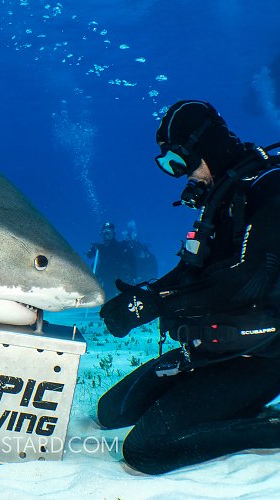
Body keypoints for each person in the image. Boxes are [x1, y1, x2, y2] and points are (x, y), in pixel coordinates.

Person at [97, 100, 280, 474]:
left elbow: (247, 278)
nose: (186, 177)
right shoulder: (222, 198)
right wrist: (142, 298)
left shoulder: (271, 188)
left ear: (209, 147)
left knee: (146, 451)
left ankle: (268, 427)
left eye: (186, 163)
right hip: (215, 346)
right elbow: (189, 270)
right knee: (112, 411)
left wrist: (159, 304)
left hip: (264, 354)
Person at [86, 222, 137, 298]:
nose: (106, 235)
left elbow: (132, 262)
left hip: (121, 280)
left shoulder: (122, 245)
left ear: (113, 233)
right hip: (106, 282)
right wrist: (91, 251)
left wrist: (133, 276)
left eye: (108, 233)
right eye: (103, 233)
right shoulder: (99, 248)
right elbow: (90, 256)